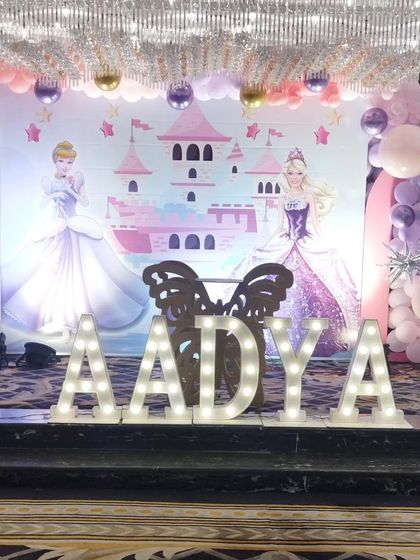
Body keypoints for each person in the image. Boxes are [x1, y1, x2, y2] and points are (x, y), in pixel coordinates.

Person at [1, 141, 149, 333]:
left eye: (69, 162)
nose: (65, 165)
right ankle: (50, 316)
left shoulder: (76, 180)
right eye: (61, 161)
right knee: (49, 270)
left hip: (74, 228)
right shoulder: (50, 182)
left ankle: (77, 315)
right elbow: (41, 204)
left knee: (83, 270)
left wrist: (71, 191)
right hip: (57, 230)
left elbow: (85, 202)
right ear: (55, 161)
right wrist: (52, 197)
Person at [233, 147, 360, 356]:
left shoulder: (309, 196)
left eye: (299, 173)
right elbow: (279, 227)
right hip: (286, 242)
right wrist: (265, 245)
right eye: (291, 173)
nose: (294, 177)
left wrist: (329, 244)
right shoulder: (282, 198)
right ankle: (275, 342)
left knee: (311, 287)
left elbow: (316, 225)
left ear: (304, 173)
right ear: (286, 173)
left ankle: (311, 342)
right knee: (277, 285)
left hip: (304, 242)